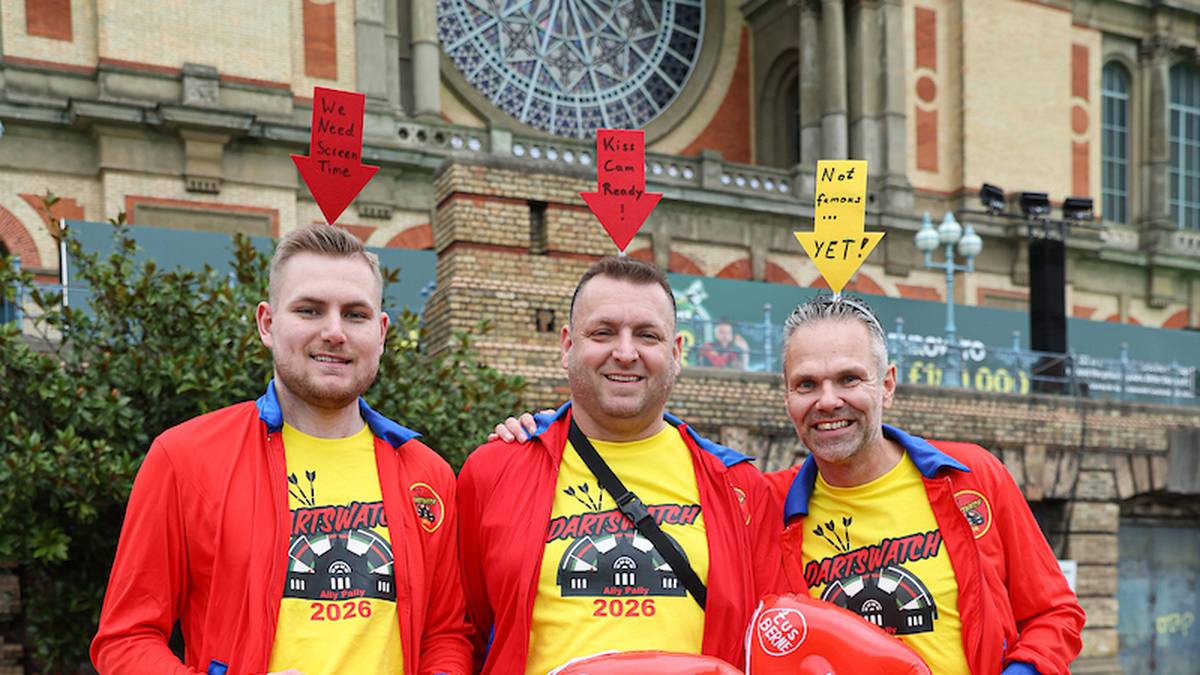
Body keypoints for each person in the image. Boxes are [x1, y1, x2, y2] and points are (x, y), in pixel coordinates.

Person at [493, 294, 1086, 674]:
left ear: (889, 385)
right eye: (806, 384)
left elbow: (1056, 613)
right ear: (786, 396)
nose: (828, 401)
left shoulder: (969, 480)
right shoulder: (763, 503)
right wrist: (553, 427)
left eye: (849, 379)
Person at [91, 225, 471, 675]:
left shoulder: (428, 475)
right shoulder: (184, 458)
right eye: (309, 310)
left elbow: (446, 635)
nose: (334, 332)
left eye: (355, 314)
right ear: (267, 324)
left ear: (382, 332)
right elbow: (126, 639)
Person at [457, 256, 786, 674]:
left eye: (647, 335)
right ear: (566, 346)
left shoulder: (739, 486)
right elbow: (463, 630)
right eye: (603, 332)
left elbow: (771, 643)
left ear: (676, 352)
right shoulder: (493, 471)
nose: (625, 352)